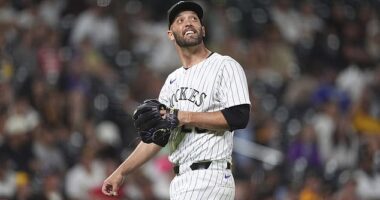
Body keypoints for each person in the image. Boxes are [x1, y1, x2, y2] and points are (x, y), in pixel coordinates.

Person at [101, 1, 251, 199]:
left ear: (203, 30)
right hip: (180, 181)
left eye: (194, 19)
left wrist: (183, 116)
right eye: (180, 20)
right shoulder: (172, 81)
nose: (188, 23)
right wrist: (121, 171)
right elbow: (158, 136)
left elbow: (238, 117)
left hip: (211, 175)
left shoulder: (224, 66)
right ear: (170, 34)